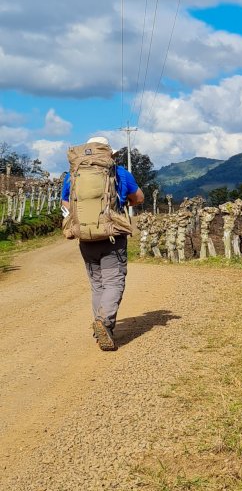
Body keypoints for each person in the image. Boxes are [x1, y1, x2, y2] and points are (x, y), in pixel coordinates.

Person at [61, 136, 144, 351]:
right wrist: (123, 201)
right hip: (112, 235)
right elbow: (140, 198)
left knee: (97, 283)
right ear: (109, 153)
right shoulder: (120, 173)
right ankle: (104, 322)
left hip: (85, 237)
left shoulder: (73, 175)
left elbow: (65, 202)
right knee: (114, 281)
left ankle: (102, 325)